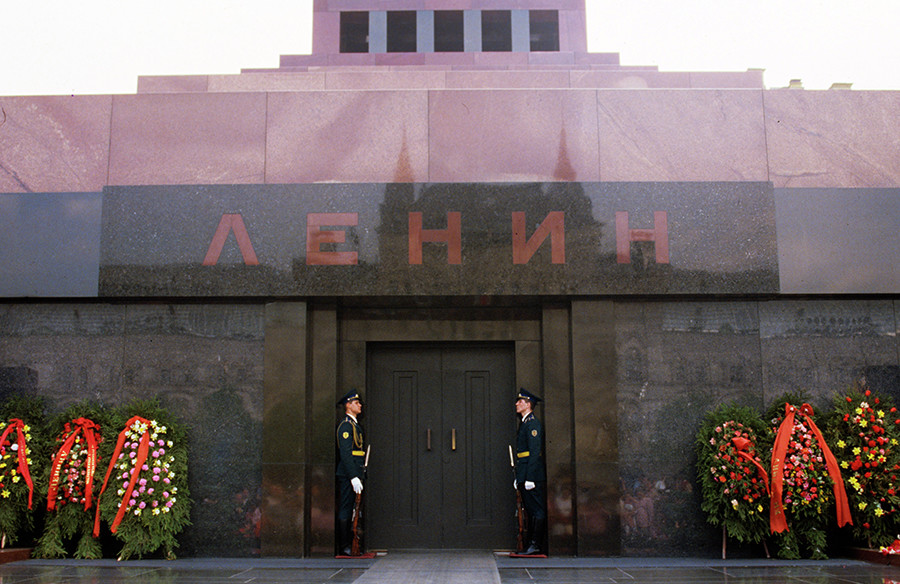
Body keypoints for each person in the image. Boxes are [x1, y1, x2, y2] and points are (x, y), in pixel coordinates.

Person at [514, 388, 547, 556]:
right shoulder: (525, 423)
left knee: (536, 510)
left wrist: (530, 477)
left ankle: (535, 545)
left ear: (528, 404)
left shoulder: (532, 423)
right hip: (524, 471)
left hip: (531, 473)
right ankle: (530, 544)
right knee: (529, 509)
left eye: (520, 401)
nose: (517, 404)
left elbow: (534, 452)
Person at [335, 390, 366, 556]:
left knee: (355, 509)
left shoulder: (355, 426)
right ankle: (345, 546)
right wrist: (353, 476)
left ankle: (354, 543)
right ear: (348, 405)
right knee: (346, 508)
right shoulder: (346, 426)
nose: (360, 405)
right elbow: (346, 454)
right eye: (356, 403)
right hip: (349, 474)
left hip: (356, 472)